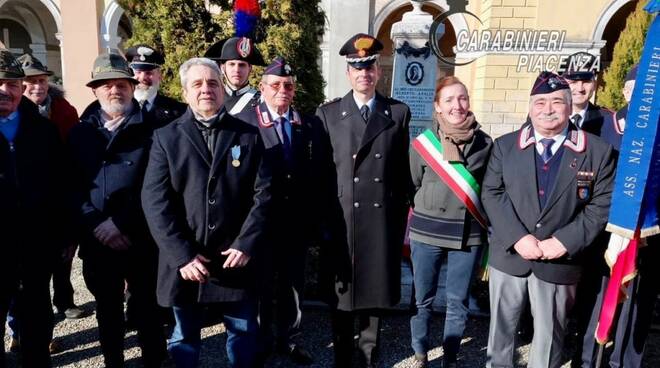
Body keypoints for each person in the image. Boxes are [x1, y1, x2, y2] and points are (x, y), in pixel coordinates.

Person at [141, 57, 273, 368]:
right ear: (185, 92)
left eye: (212, 83)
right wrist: (182, 255)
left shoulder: (249, 135)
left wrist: (246, 243)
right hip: (187, 262)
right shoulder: (166, 137)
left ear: (223, 90)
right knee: (184, 339)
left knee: (243, 335)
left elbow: (264, 195)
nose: (206, 90)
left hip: (234, 258)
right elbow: (155, 201)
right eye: (197, 84)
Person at [481, 71, 616, 368]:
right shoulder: (505, 146)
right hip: (510, 257)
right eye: (540, 102)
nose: (548, 109)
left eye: (557, 101)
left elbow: (602, 204)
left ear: (570, 106)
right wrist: (518, 237)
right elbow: (492, 192)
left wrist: (564, 242)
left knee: (550, 340)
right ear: (530, 107)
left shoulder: (598, 151)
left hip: (559, 260)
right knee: (500, 336)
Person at [315, 33, 412, 368]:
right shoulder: (327, 115)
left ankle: (369, 359)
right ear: (348, 73)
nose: (364, 74)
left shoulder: (397, 113)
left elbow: (401, 173)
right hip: (342, 221)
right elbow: (322, 176)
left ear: (378, 71)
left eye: (369, 67)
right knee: (341, 303)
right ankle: (342, 360)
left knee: (373, 301)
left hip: (379, 222)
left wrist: (399, 222)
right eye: (357, 68)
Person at [67, 52, 167, 368]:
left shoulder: (156, 129)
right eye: (107, 85)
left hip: (141, 240)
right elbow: (69, 186)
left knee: (149, 312)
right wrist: (96, 223)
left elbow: (159, 186)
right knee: (108, 312)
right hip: (98, 241)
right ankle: (113, 362)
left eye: (122, 84)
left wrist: (122, 223)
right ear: (95, 90)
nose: (115, 91)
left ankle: (153, 361)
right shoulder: (80, 133)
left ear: (131, 86)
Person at [574, 63, 660, 368]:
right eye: (639, 92)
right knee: (597, 300)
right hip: (608, 230)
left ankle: (625, 362)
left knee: (639, 303)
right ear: (625, 91)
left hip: (650, 231)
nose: (646, 101)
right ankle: (587, 360)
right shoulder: (607, 125)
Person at [236, 56, 318, 365]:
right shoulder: (246, 122)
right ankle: (260, 341)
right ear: (262, 88)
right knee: (259, 287)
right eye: (275, 85)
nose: (282, 90)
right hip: (259, 225)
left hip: (294, 225)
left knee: (292, 286)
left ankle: (289, 339)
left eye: (288, 85)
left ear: (294, 90)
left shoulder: (305, 124)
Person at [407, 76, 492, 368]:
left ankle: (450, 357)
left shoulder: (485, 142)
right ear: (438, 107)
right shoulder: (423, 144)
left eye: (462, 98)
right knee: (423, 300)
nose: (457, 105)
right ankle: (420, 352)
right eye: (449, 100)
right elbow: (413, 184)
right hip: (427, 232)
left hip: (467, 236)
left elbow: (487, 188)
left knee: (458, 302)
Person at [0, 48, 68, 368]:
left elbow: (60, 187)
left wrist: (63, 236)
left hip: (35, 247)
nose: (5, 90)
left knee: (37, 322)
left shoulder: (43, 130)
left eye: (13, 84)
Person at [125, 44, 186, 127]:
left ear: (160, 76)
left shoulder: (179, 111)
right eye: (138, 72)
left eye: (149, 73)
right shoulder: (119, 106)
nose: (143, 78)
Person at [205, 37, 265, 115]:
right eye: (232, 64)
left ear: (250, 68)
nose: (236, 70)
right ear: (222, 68)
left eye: (242, 65)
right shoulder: (211, 98)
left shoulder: (262, 101)